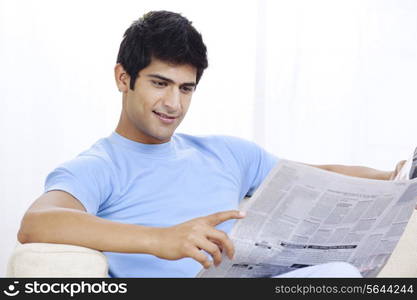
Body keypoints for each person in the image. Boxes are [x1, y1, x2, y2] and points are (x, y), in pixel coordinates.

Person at [18, 10, 403, 278]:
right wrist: (161, 240)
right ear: (124, 78)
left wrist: (394, 175)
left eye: (186, 89)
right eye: (159, 83)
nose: (174, 104)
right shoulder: (99, 164)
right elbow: (37, 222)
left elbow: (317, 176)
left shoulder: (226, 153)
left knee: (340, 274)